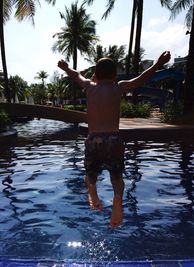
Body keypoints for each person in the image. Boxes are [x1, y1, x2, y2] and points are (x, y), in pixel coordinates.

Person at [57, 51, 171, 228]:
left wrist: (65, 68)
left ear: (95, 75)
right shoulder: (119, 87)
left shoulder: (89, 86)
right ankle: (117, 199)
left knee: (89, 175)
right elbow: (141, 78)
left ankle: (92, 190)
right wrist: (158, 63)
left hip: (93, 139)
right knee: (116, 178)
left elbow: (76, 74)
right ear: (114, 75)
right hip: (114, 139)